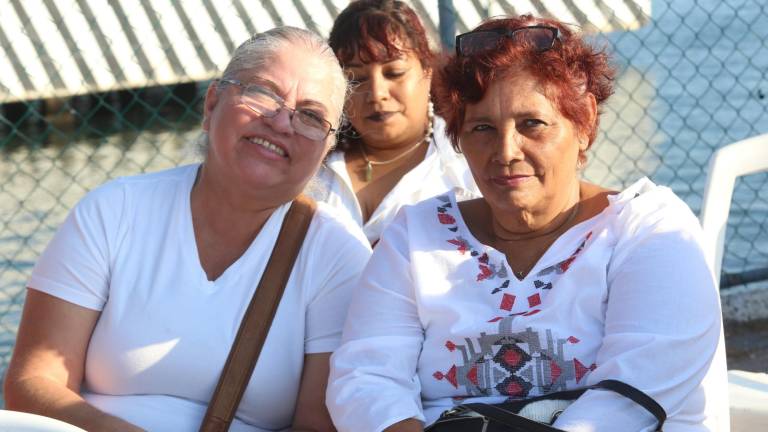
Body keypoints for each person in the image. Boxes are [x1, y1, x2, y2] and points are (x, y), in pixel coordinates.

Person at [326, 15, 729, 432]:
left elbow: (629, 400)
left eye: (531, 124)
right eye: (482, 127)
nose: (506, 151)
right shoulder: (415, 236)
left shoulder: (647, 230)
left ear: (585, 121)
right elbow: (367, 376)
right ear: (459, 138)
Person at [4, 27, 371, 432]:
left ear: (326, 149)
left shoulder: (338, 256)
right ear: (212, 103)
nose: (282, 122)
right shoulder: (114, 211)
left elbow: (318, 425)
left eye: (311, 116)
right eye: (264, 93)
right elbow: (32, 382)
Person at [308, 0, 479, 245]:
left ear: (427, 72)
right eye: (356, 78)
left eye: (394, 73)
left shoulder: (467, 167)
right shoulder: (309, 163)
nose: (377, 93)